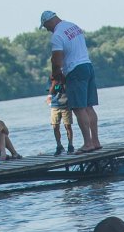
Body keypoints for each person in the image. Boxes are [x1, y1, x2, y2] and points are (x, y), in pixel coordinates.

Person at [39, 11, 100, 153]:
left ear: (49, 21)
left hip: (75, 71)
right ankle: (96, 141)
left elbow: (56, 60)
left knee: (79, 108)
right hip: (88, 66)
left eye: (46, 26)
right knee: (89, 107)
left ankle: (88, 143)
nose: (47, 29)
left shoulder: (57, 35)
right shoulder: (73, 26)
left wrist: (56, 75)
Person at [48, 77, 74, 156]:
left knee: (68, 126)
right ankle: (59, 146)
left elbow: (68, 89)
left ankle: (70, 145)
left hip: (66, 105)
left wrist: (63, 82)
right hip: (55, 105)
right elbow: (50, 91)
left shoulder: (66, 78)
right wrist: (54, 83)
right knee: (55, 126)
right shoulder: (51, 79)